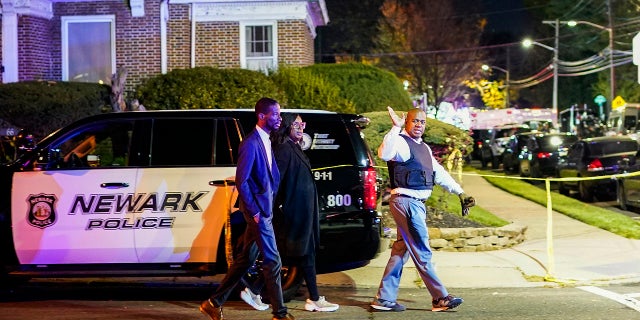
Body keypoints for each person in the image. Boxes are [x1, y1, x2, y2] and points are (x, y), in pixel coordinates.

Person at [371, 106, 475, 312]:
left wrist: (460, 193)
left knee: (401, 251)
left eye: (422, 122)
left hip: (414, 204)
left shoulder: (423, 148)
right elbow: (384, 153)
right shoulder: (400, 141)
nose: (419, 125)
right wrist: (395, 128)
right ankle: (440, 298)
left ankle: (384, 299)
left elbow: (439, 173)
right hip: (407, 202)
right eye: (415, 121)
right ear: (407, 121)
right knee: (422, 250)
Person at [200, 97, 295, 320]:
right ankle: (280, 314)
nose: (279, 118)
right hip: (258, 213)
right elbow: (241, 181)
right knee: (273, 261)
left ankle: (213, 303)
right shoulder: (251, 143)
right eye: (275, 114)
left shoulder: (267, 140)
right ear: (262, 116)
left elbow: (269, 177)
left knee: (245, 260)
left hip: (265, 210)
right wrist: (254, 212)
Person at [239, 114, 339, 312]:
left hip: (303, 211)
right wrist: (268, 210)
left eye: (302, 124)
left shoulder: (293, 146)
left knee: (302, 254)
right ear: (286, 126)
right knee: (295, 253)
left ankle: (312, 298)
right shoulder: (284, 149)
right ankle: (308, 298)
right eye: (296, 124)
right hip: (294, 211)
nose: (301, 127)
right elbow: (274, 182)